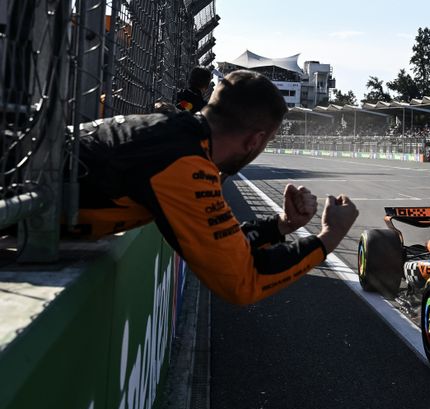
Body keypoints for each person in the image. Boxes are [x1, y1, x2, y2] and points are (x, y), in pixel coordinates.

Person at [66, 70, 358, 305]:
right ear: (255, 141)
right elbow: (243, 281)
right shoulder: (184, 163)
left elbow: (224, 246)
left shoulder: (178, 136)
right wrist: (330, 236)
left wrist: (281, 225)